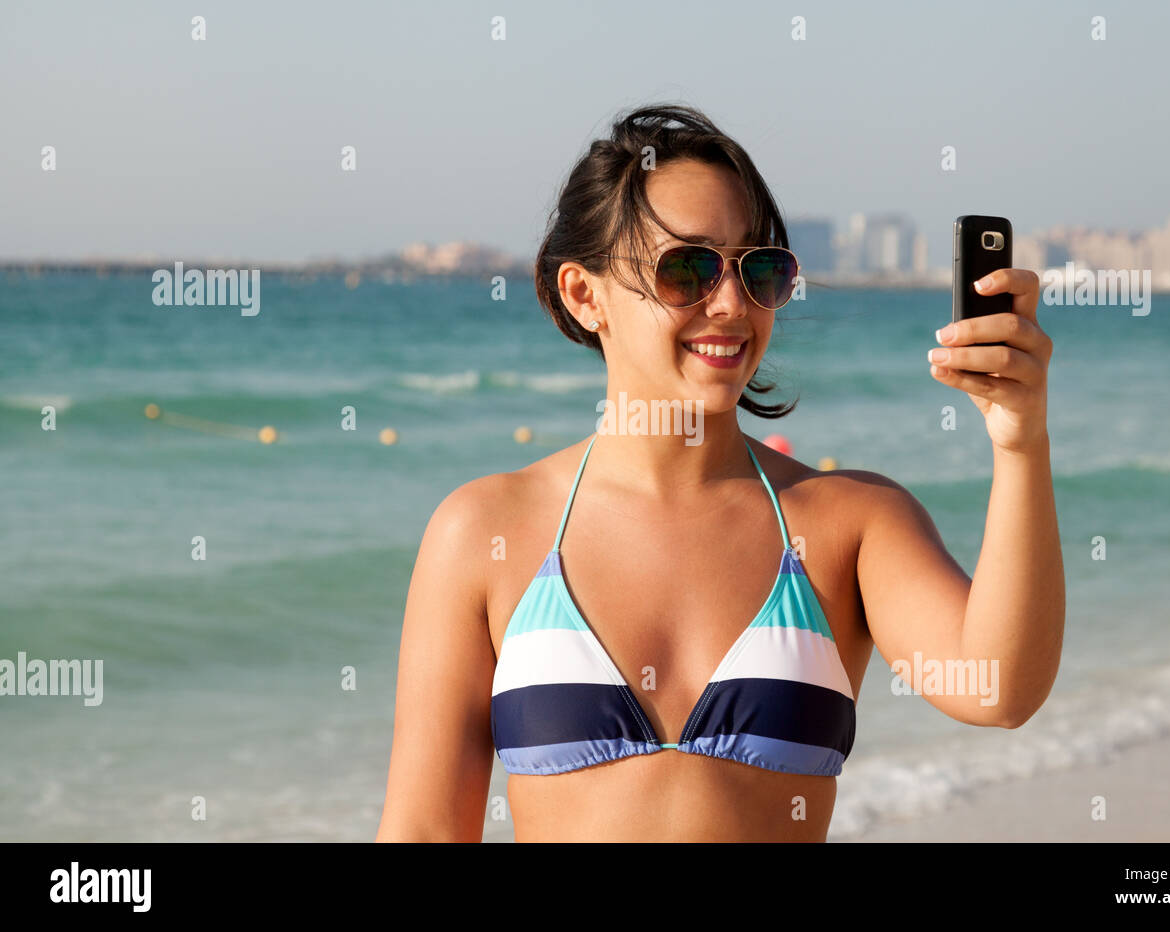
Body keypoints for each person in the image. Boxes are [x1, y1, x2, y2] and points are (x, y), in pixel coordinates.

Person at [375, 104, 1063, 842]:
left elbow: (999, 689)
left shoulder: (850, 523)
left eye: (758, 269)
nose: (732, 304)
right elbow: (424, 829)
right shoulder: (485, 532)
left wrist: (1019, 442)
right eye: (688, 268)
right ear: (585, 293)